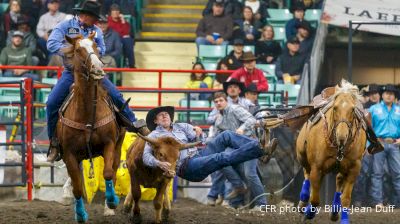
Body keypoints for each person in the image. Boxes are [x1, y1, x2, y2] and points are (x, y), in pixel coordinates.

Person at [45, 1, 146, 162]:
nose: (96, 22)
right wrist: (71, 50)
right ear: (85, 15)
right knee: (51, 103)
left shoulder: (96, 30)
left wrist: (90, 49)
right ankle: (54, 143)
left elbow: (103, 48)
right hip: (72, 72)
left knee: (115, 94)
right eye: (94, 18)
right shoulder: (65, 26)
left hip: (94, 72)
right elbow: (51, 43)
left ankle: (135, 123)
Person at [142, 105, 278, 184]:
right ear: (155, 121)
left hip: (198, 156)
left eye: (166, 114)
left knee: (226, 135)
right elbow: (145, 156)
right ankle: (260, 150)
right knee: (221, 157)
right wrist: (159, 163)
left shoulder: (181, 126)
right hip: (186, 167)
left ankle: (261, 149)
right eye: (161, 115)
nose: (165, 116)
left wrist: (199, 133)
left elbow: (202, 139)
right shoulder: (153, 136)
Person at [369, 84, 400, 209]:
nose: (389, 95)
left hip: (394, 144)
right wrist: (370, 143)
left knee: (398, 174)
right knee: (377, 173)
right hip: (379, 143)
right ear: (382, 95)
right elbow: (367, 127)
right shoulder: (373, 109)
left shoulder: (399, 110)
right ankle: (378, 202)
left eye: (392, 93)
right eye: (387, 93)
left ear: (394, 97)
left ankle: (398, 202)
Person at [107, 3, 135, 68]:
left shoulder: (122, 21)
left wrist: (123, 20)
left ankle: (131, 64)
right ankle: (127, 63)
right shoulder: (108, 21)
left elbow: (126, 32)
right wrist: (123, 34)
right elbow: (114, 33)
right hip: (112, 39)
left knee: (128, 40)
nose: (116, 12)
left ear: (120, 12)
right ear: (111, 12)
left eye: (117, 10)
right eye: (114, 10)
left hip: (122, 39)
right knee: (127, 40)